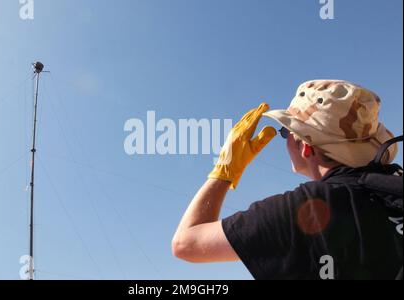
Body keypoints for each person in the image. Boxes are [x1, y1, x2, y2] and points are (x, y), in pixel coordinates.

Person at [172, 80, 403, 280]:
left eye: (286, 132)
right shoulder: (394, 187)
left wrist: (223, 171)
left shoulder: (304, 208)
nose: (285, 140)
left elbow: (186, 243)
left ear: (306, 147)